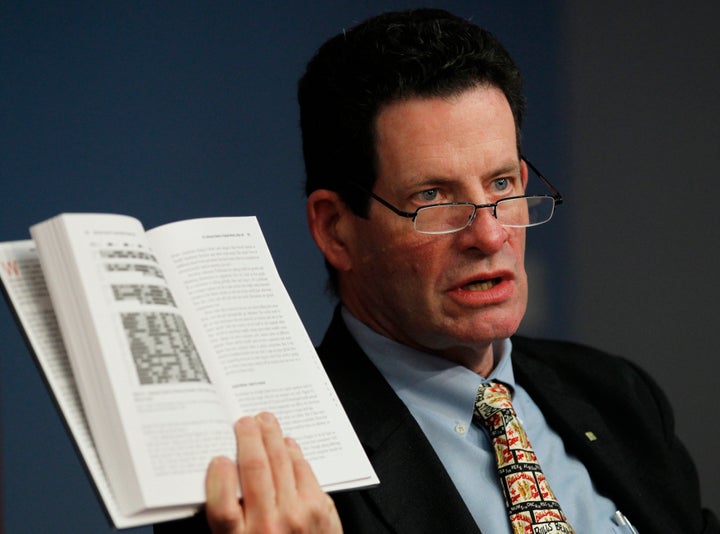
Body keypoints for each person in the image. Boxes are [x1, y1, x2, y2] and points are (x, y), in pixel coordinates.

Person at [157, 8, 719, 534]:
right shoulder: (261, 480)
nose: (491, 234)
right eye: (433, 199)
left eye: (501, 185)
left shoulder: (619, 395)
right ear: (335, 228)